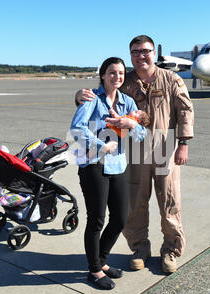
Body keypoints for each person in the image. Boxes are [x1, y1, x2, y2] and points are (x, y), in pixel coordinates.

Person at [75, 35, 194, 274]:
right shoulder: (124, 81)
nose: (141, 55)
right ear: (131, 55)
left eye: (146, 51)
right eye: (136, 52)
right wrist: (78, 96)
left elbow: (185, 110)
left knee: (169, 201)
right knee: (136, 203)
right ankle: (140, 248)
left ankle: (170, 250)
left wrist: (183, 143)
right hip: (134, 150)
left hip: (164, 145)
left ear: (153, 52)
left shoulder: (171, 79)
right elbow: (96, 99)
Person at [70, 57, 146, 290]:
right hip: (94, 165)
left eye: (121, 73)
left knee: (120, 219)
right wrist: (101, 145)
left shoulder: (128, 102)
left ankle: (101, 261)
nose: (117, 77)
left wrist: (130, 125)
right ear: (103, 75)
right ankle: (94, 270)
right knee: (97, 220)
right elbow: (76, 128)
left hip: (118, 165)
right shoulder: (92, 98)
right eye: (112, 72)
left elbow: (141, 135)